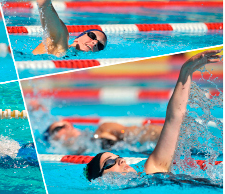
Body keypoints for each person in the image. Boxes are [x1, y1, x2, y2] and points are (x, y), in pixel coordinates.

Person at [84, 50, 222, 181]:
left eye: (117, 157)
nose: (121, 160)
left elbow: (174, 119)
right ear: (100, 178)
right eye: (109, 162)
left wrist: (186, 71)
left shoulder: (152, 169)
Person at [32, 0, 107, 57]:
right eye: (92, 36)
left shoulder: (72, 57)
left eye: (100, 45)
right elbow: (43, 4)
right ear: (77, 38)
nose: (95, 42)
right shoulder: (60, 41)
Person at [43, 120, 163, 150]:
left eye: (67, 123)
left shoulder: (104, 130)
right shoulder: (69, 151)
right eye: (58, 128)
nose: (67, 126)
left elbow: (140, 133)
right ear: (52, 139)